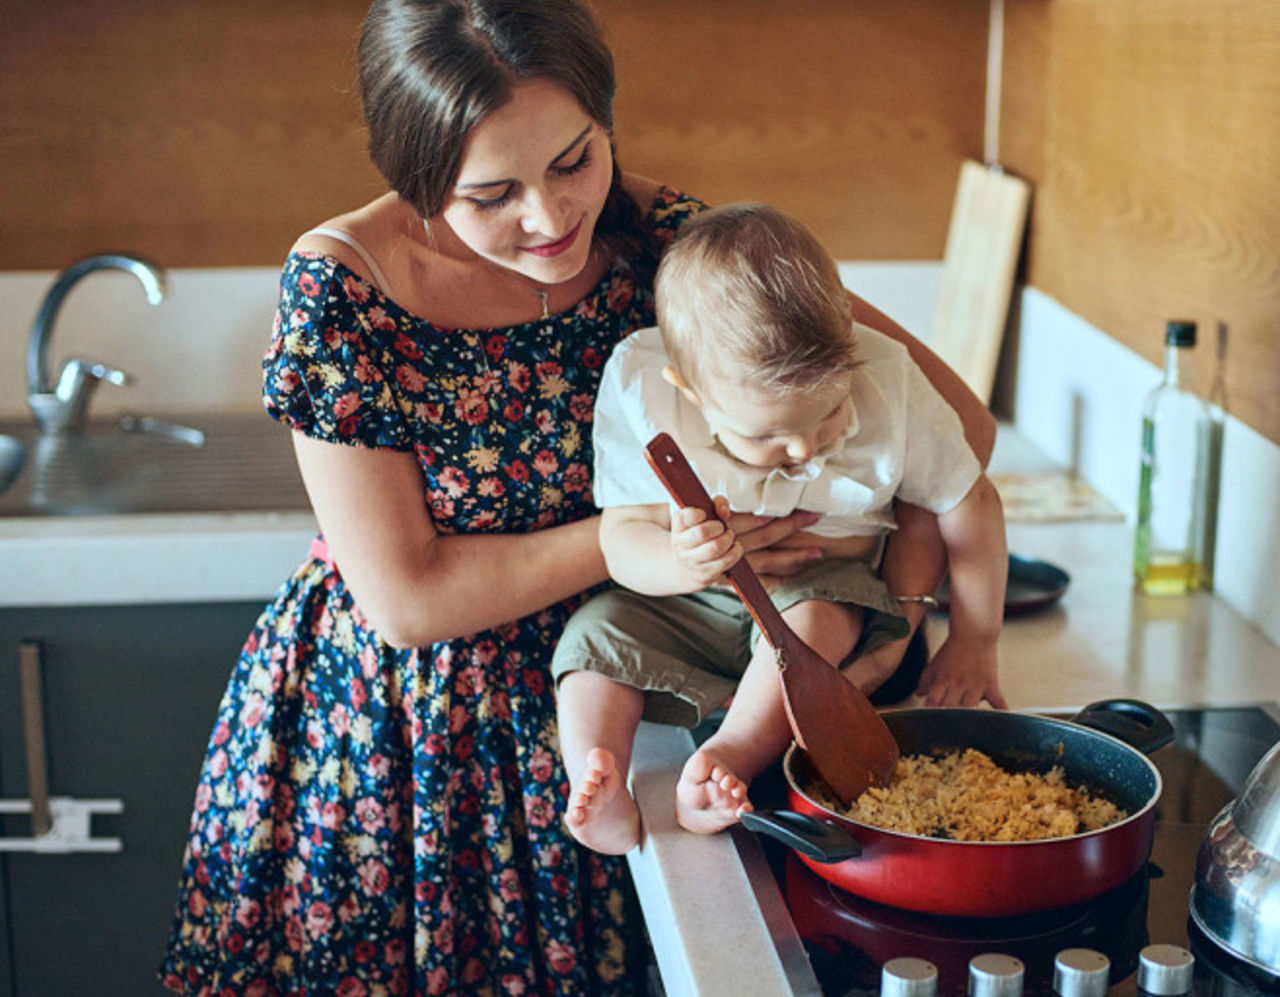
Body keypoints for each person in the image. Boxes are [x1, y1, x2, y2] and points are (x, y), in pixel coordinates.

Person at [159, 1, 996, 993]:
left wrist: (898, 592)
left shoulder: (663, 240)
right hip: (413, 743)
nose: (551, 219)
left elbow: (947, 421)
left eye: (573, 161)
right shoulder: (343, 293)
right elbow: (409, 601)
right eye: (490, 194)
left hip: (649, 694)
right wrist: (629, 539)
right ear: (411, 174)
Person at [552, 203, 1008, 856]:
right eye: (765, 433)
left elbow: (971, 502)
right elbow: (619, 537)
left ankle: (727, 755)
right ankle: (600, 781)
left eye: (827, 413)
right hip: (686, 603)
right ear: (691, 389)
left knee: (819, 618)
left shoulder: (890, 379)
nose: (802, 449)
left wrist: (974, 637)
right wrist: (681, 561)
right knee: (591, 638)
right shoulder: (642, 385)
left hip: (818, 586)